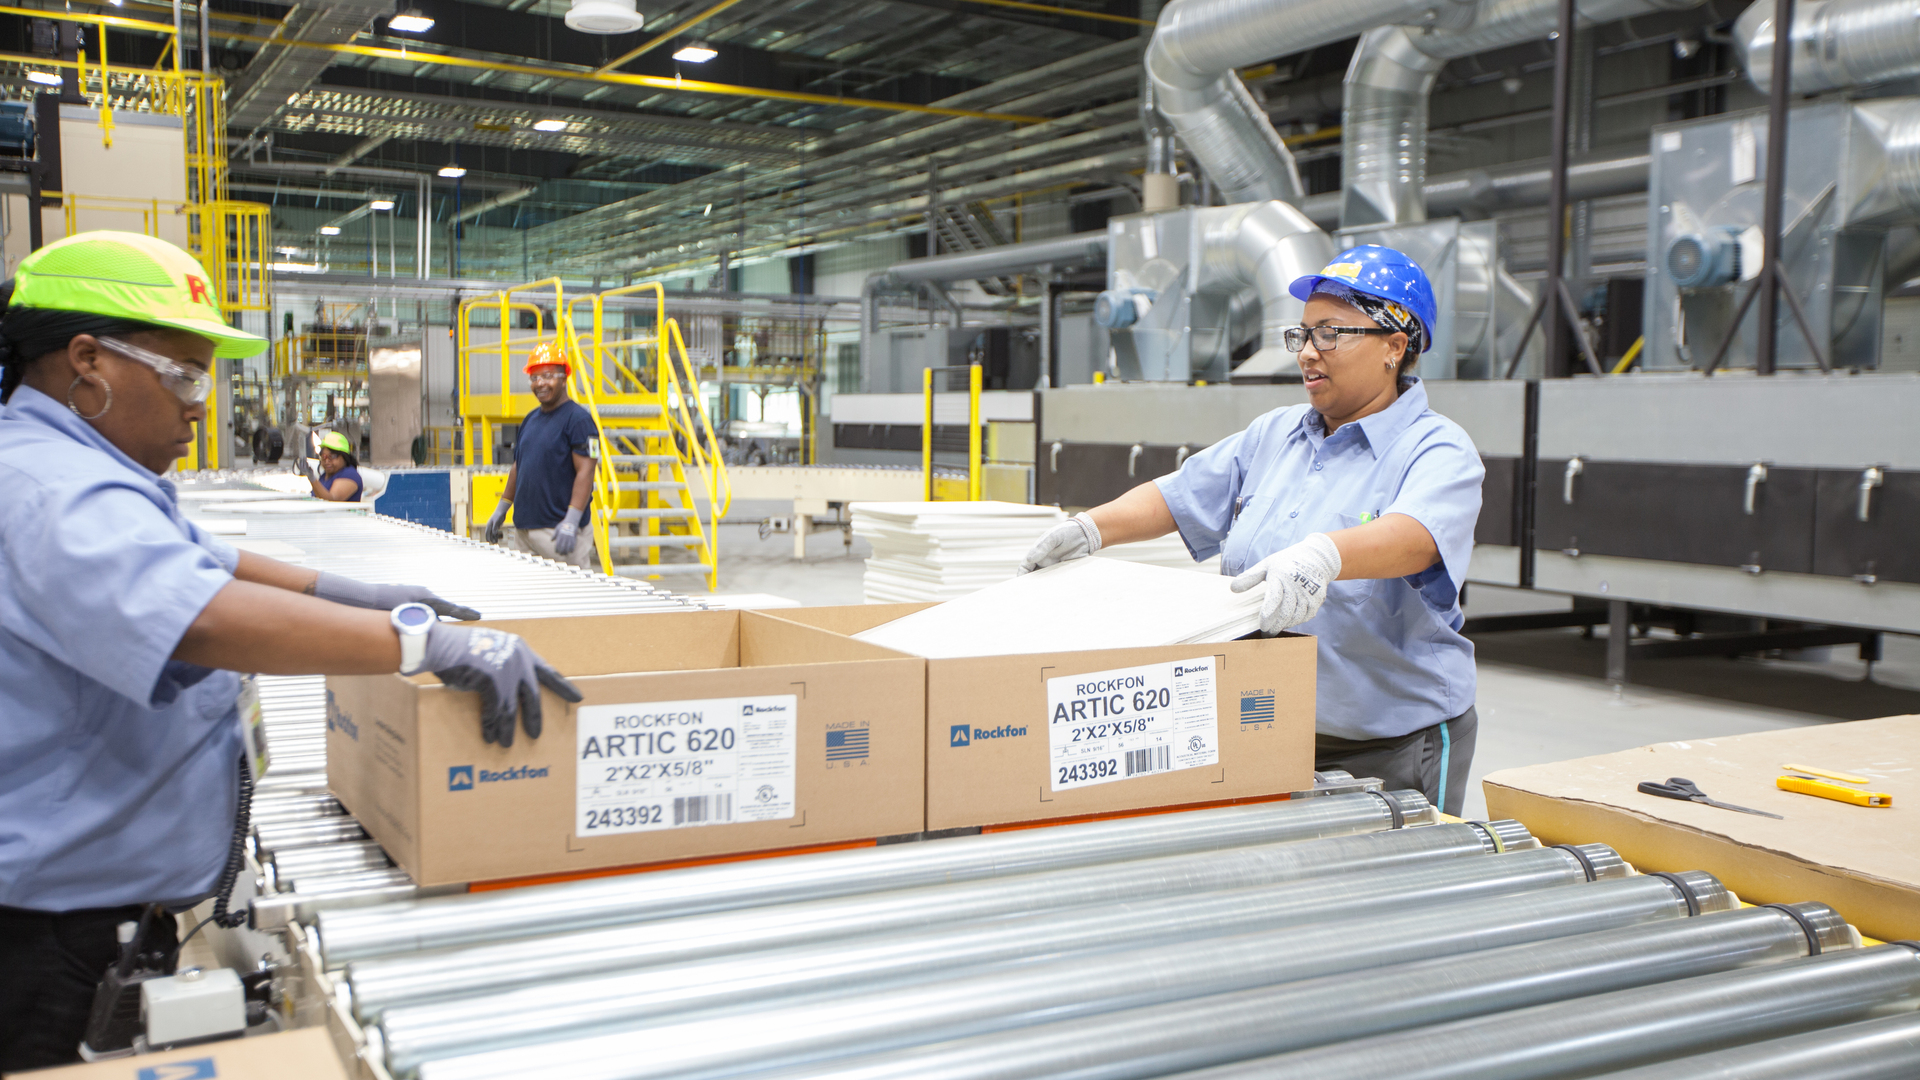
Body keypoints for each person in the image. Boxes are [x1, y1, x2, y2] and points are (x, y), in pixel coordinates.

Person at [0, 231, 581, 1073]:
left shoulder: (80, 466)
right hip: (55, 938)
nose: (199, 406)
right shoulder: (48, 486)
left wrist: (354, 592)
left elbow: (210, 559)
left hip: (96, 907)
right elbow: (198, 614)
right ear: (87, 360)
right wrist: (418, 640)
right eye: (184, 377)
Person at [1022, 246, 1484, 815]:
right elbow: (1179, 494)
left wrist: (1324, 555)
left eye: (1330, 333)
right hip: (1266, 724)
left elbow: (1415, 535)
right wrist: (1091, 528)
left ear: (1395, 345)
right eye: (1303, 335)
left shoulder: (1437, 448)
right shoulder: (1275, 434)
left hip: (1390, 747)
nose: (1308, 352)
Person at [482, 341, 598, 569]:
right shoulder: (530, 420)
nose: (540, 383)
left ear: (564, 377)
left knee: (569, 590)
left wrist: (572, 520)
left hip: (559, 533)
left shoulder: (579, 421)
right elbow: (519, 466)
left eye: (547, 376)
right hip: (524, 533)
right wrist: (502, 508)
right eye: (534, 378)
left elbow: (586, 471)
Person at [302, 428, 362, 501]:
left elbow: (332, 500)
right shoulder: (324, 476)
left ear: (344, 457)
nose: (327, 461)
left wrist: (312, 478)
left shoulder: (350, 474)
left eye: (332, 456)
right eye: (324, 457)